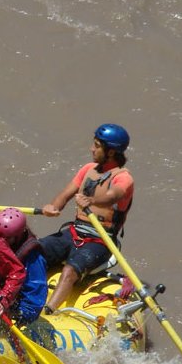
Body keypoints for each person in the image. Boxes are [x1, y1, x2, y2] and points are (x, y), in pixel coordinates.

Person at [38, 123, 134, 314]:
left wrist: (91, 200)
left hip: (100, 241)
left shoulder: (124, 178)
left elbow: (113, 196)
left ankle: (46, 313)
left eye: (97, 146)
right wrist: (53, 207)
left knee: (69, 271)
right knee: (34, 250)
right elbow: (65, 195)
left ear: (111, 152)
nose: (92, 149)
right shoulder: (88, 169)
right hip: (74, 232)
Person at [0, 208, 48, 324]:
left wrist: (21, 317)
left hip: (15, 305)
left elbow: (35, 290)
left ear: (18, 236)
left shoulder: (33, 256)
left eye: (7, 238)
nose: (2, 242)